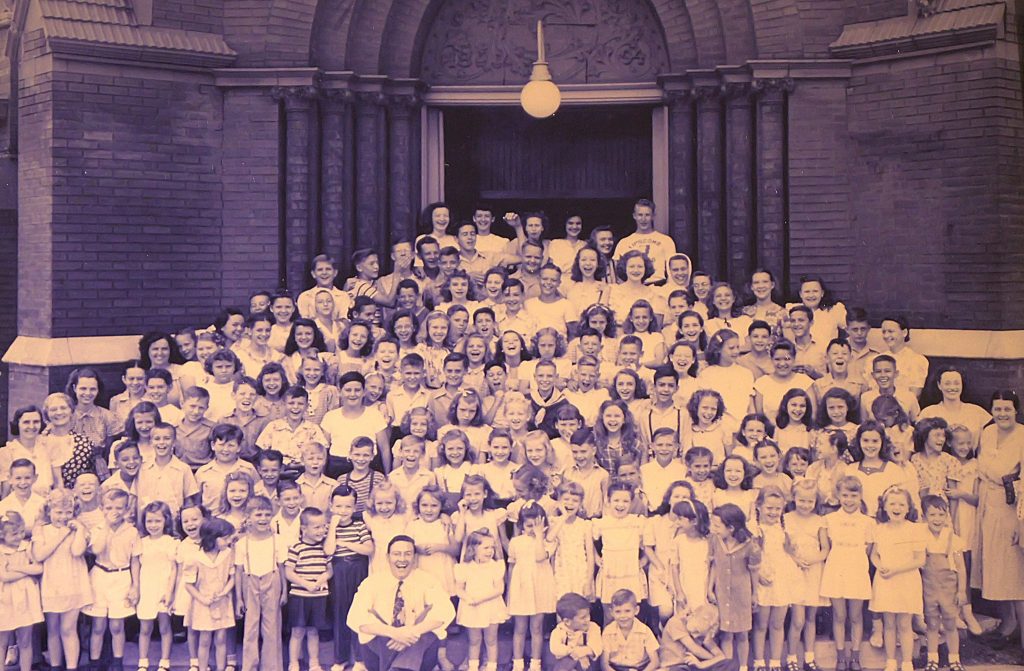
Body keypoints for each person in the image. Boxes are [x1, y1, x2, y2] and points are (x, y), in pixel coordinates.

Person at [346, 535, 456, 671]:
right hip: (381, 649)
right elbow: (356, 618)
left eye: (408, 554)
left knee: (426, 633)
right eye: (396, 554)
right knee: (377, 629)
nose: (402, 559)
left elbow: (445, 611)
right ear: (387, 557)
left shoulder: (428, 580)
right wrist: (393, 633)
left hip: (417, 644)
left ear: (415, 558)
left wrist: (410, 632)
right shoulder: (372, 582)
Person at [973, 390, 1024, 650]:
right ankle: (1008, 626)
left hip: (1011, 510)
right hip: (988, 506)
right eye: (997, 409)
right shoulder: (988, 433)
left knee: (1014, 575)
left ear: (1016, 410)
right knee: (996, 572)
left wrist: (1020, 523)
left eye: (1007, 409)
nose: (1002, 414)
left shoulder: (1023, 437)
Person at [869, 487, 927, 671]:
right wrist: (880, 566)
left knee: (904, 623)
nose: (897, 507)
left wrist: (896, 570)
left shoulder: (915, 530)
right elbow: (874, 555)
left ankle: (907, 662)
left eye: (902, 504)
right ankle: (891, 662)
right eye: (892, 503)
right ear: (884, 507)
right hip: (885, 580)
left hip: (906, 581)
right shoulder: (880, 530)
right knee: (889, 623)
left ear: (909, 508)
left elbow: (920, 559)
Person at [235, 496, 286, 671]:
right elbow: (238, 572)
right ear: (248, 517)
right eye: (258, 515)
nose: (263, 519)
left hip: (272, 580)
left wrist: (284, 591)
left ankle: (272, 667)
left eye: (267, 514)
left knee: (271, 627)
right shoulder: (242, 543)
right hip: (249, 582)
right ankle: (249, 666)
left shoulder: (277, 540)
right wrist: (239, 599)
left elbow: (282, 567)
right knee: (250, 628)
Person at [285, 507, 332, 671]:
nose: (322, 530)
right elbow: (289, 572)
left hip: (319, 597)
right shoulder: (296, 548)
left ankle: (314, 662)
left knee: (313, 631)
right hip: (300, 596)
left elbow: (329, 570)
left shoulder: (325, 548)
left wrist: (321, 579)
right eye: (317, 527)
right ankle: (293, 662)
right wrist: (306, 584)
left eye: (324, 526)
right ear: (304, 528)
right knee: (297, 631)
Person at [612, 199, 676, 285]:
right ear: (634, 216)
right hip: (633, 287)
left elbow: (673, 268)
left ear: (653, 216)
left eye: (647, 215)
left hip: (658, 286)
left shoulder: (666, 241)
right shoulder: (624, 243)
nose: (643, 219)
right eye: (640, 215)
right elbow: (618, 273)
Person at [600, 588, 660, 671]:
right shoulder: (608, 632)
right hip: (615, 668)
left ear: (636, 610)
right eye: (618, 612)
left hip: (641, 668)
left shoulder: (645, 631)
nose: (623, 616)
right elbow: (604, 664)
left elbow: (655, 662)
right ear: (611, 612)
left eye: (627, 611)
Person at [549, 592, 602, 671]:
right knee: (565, 662)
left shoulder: (592, 627)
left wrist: (581, 654)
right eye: (583, 617)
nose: (588, 619)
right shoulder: (559, 631)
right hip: (566, 666)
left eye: (588, 615)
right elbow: (555, 648)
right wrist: (572, 652)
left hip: (587, 666)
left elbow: (597, 647)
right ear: (567, 621)